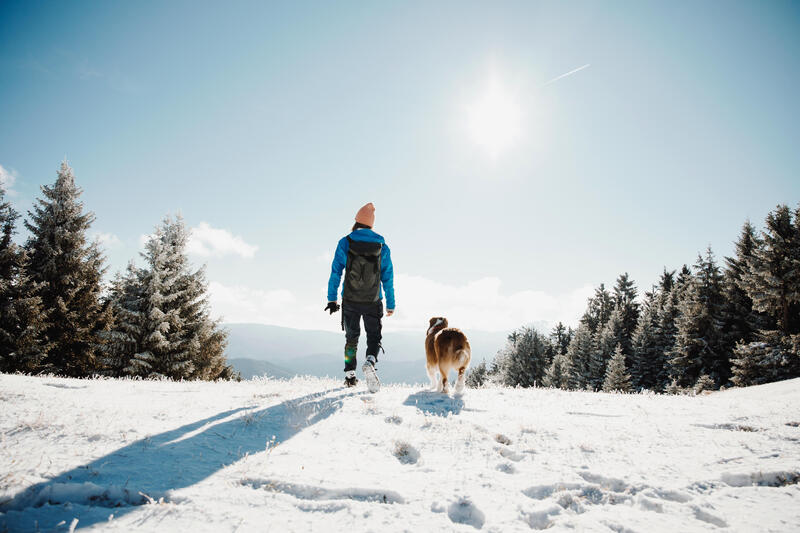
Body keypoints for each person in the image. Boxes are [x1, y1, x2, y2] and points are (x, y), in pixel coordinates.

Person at [325, 202, 395, 391]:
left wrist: (332, 299)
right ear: (371, 224)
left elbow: (336, 272)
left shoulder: (345, 242)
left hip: (350, 299)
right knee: (374, 336)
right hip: (373, 300)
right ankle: (370, 362)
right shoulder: (381, 246)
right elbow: (387, 276)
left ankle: (350, 376)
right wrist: (391, 303)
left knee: (351, 338)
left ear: (356, 222)